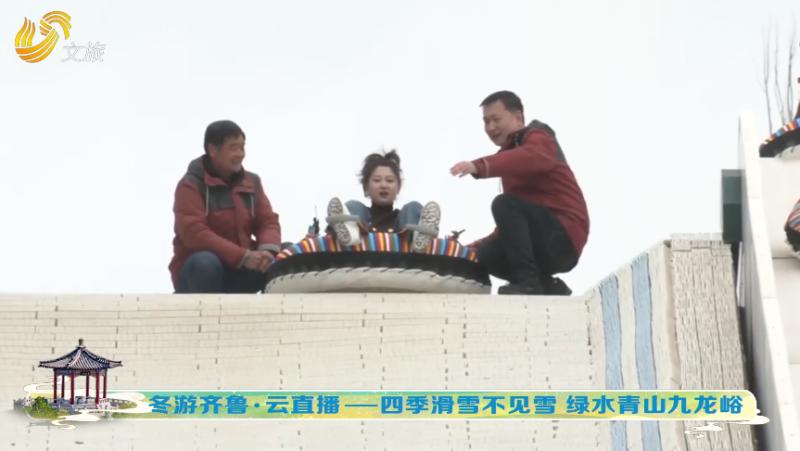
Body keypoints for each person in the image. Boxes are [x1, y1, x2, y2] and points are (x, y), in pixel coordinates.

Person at [450, 91, 589, 295]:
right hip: (542, 240)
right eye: (486, 122)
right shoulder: (510, 159)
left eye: (496, 119)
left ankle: (529, 284)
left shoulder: (539, 137)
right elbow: (511, 228)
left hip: (563, 237)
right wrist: (466, 249)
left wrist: (480, 166)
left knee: (504, 204)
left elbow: (530, 157)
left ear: (518, 117)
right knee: (485, 254)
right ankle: (547, 286)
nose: (490, 127)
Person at [169, 120, 281, 293]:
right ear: (213, 150)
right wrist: (242, 256)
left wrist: (267, 251)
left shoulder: (252, 182)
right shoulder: (191, 185)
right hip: (201, 272)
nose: (240, 154)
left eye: (242, 147)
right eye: (233, 148)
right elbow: (195, 233)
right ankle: (204, 309)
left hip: (242, 269)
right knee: (205, 263)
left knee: (288, 257)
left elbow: (267, 221)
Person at [324, 150, 440, 253]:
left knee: (414, 207)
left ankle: (418, 236)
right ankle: (349, 231)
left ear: (398, 188)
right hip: (360, 248)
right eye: (377, 180)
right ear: (366, 187)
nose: (383, 185)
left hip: (403, 246)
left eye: (389, 180)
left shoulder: (404, 216)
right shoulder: (359, 211)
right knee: (352, 205)